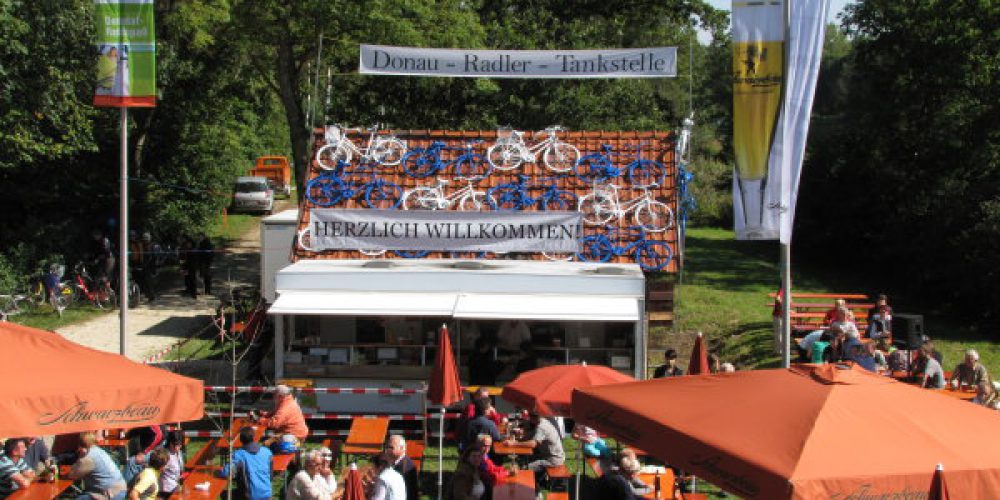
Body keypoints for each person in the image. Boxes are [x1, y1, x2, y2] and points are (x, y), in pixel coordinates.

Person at [217, 427, 272, 500]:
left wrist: (217, 472)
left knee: (224, 494)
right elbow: (271, 475)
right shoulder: (267, 452)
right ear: (254, 437)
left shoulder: (239, 455)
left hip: (248, 496)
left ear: (240, 440)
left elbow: (226, 473)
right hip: (266, 494)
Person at [506, 413, 565, 481]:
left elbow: (533, 444)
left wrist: (514, 444)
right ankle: (536, 480)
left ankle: (533, 487)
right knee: (525, 460)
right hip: (552, 455)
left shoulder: (542, 427)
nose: (529, 419)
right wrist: (519, 439)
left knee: (525, 468)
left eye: (530, 417)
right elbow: (531, 435)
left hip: (553, 459)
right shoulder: (543, 422)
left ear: (534, 418)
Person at [71, 432, 128, 500]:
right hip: (120, 488)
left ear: (80, 444)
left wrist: (80, 457)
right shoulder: (99, 451)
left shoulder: (88, 458)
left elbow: (73, 475)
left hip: (110, 494)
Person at [386, 435, 418, 500]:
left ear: (401, 448)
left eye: (391, 448)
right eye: (387, 447)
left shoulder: (405, 467)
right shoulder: (397, 462)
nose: (388, 450)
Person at [158, 431, 184, 498]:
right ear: (170, 443)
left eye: (180, 445)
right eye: (176, 445)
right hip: (166, 490)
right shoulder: (165, 454)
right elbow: (158, 470)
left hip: (175, 487)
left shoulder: (178, 452)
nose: (178, 447)